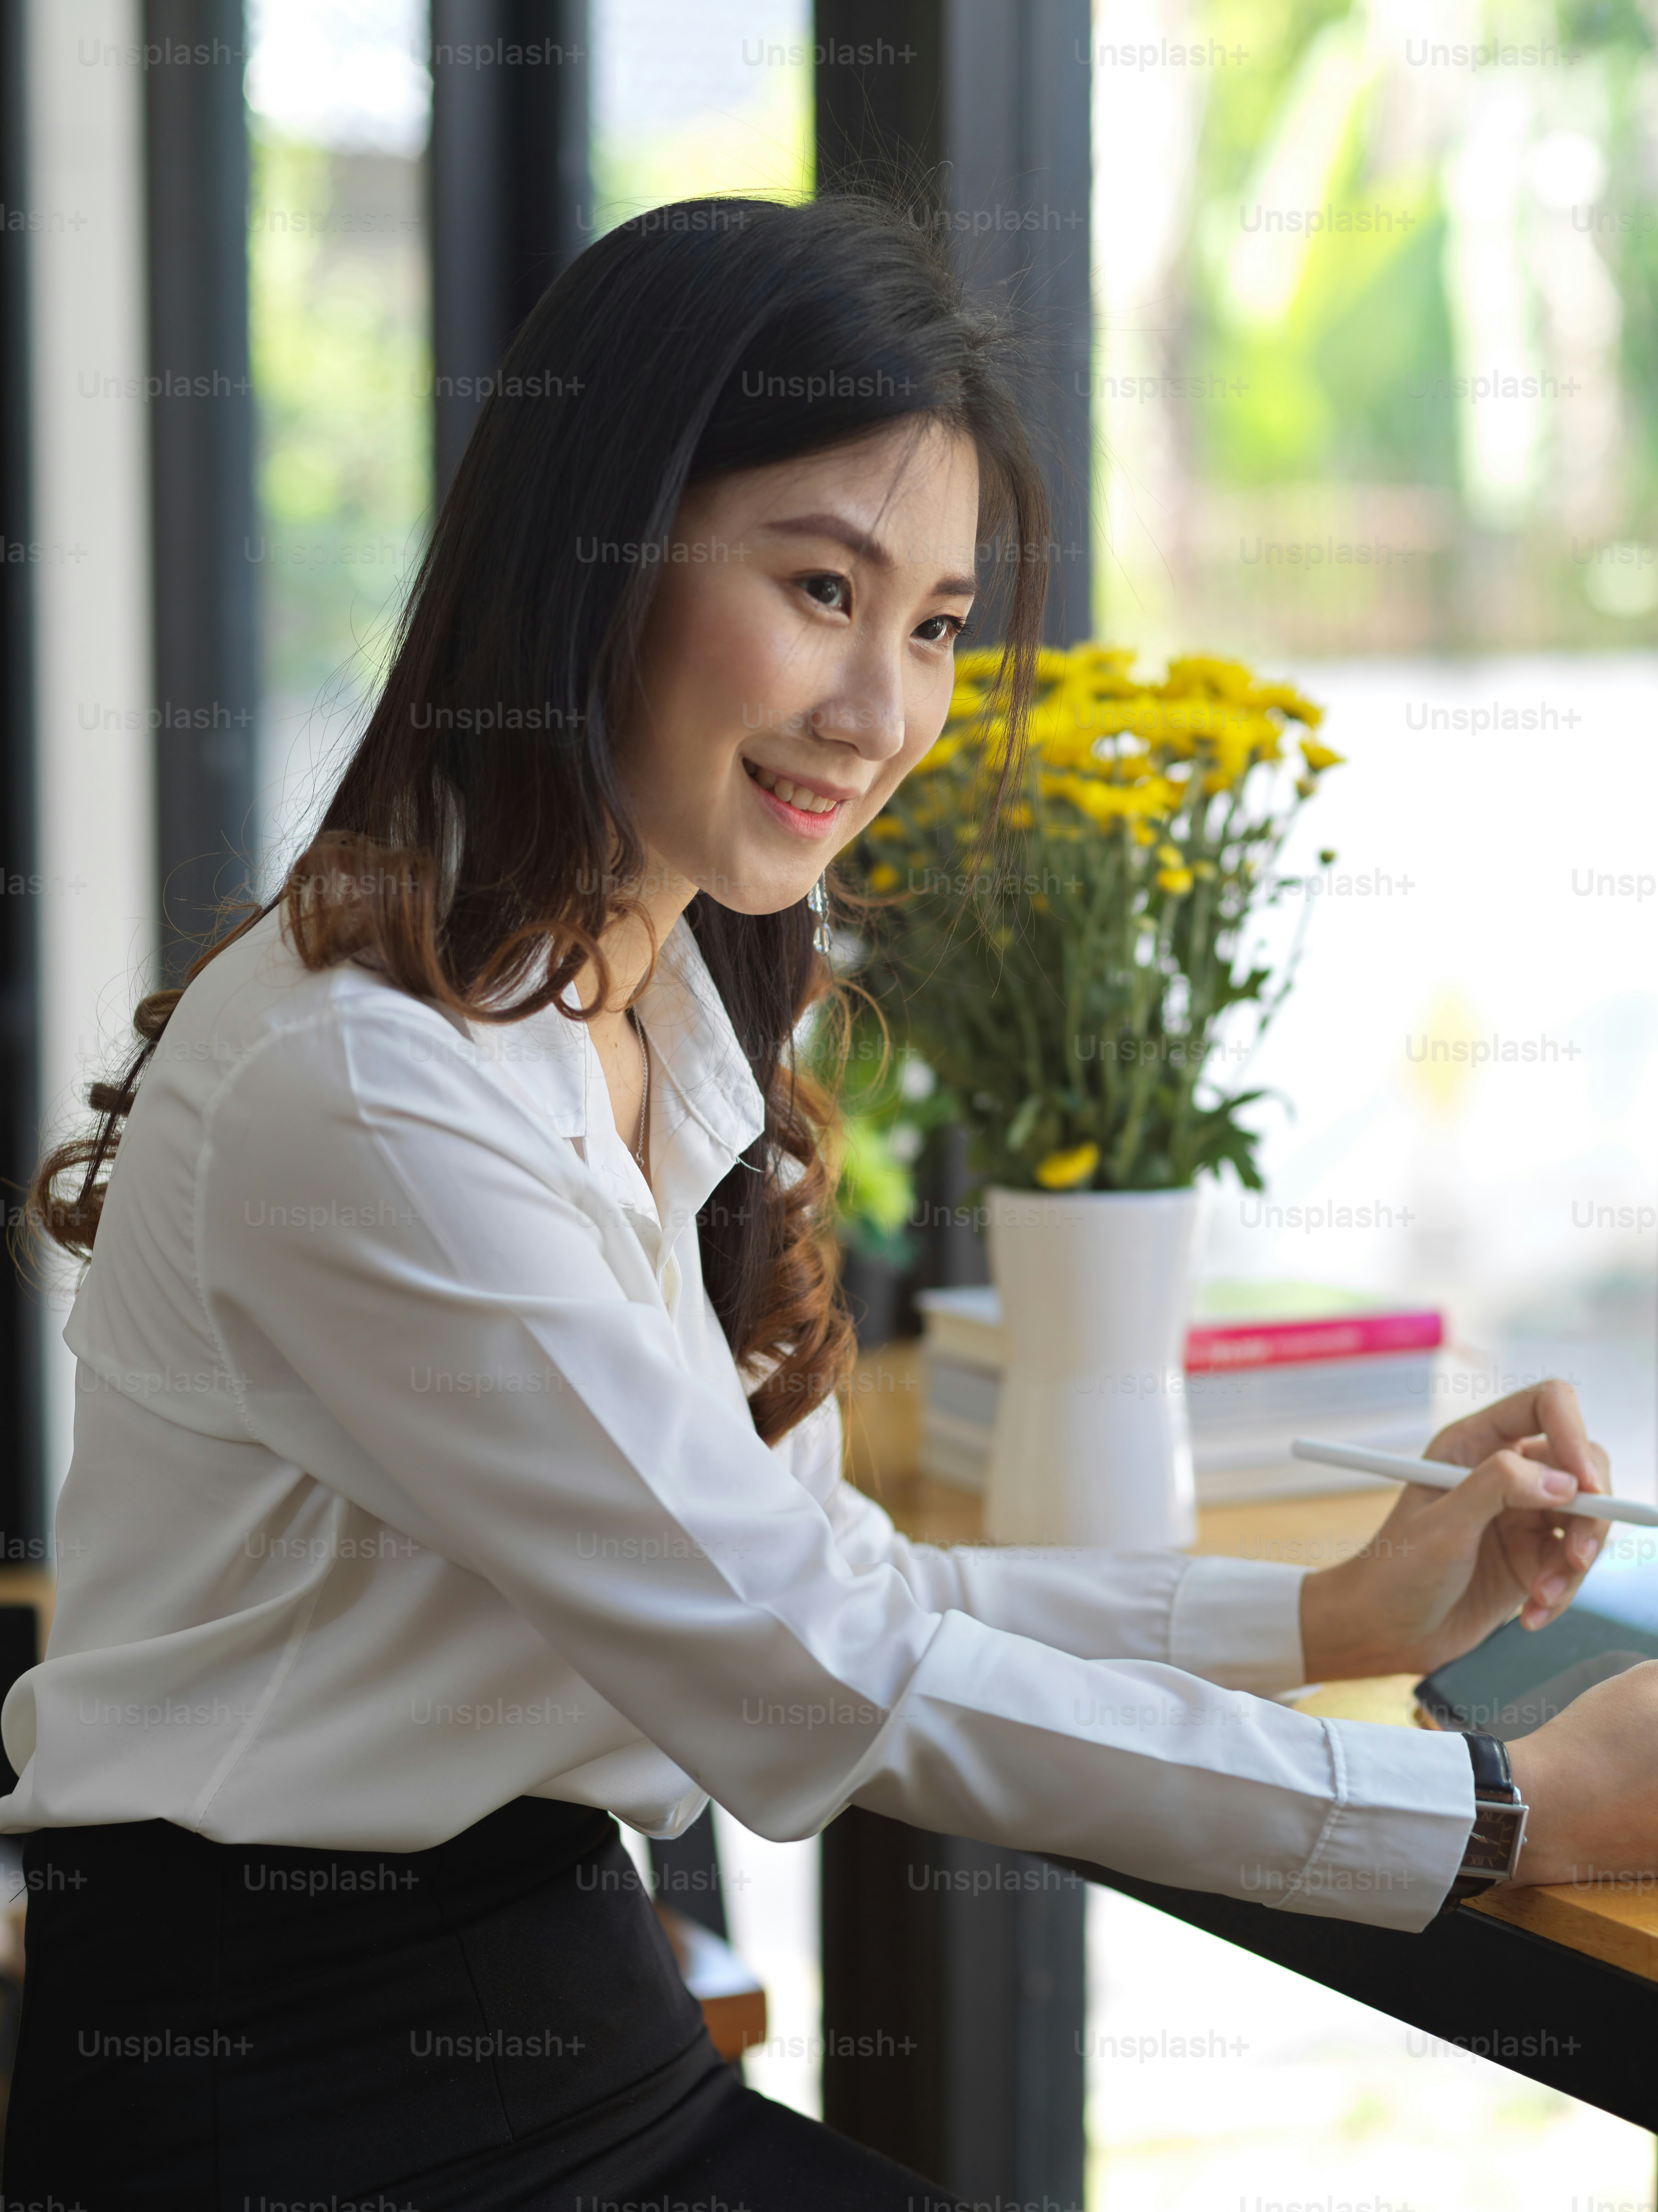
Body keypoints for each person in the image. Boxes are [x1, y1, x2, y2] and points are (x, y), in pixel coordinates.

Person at [5, 190, 1656, 2209]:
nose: (883, 714)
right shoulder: (373, 1081)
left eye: (937, 625)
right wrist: (1502, 1810)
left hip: (561, 2034)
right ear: (593, 558)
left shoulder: (646, 1014)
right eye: (819, 587)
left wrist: (1325, 1615)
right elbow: (813, 1662)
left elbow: (830, 1583)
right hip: (292, 2112)